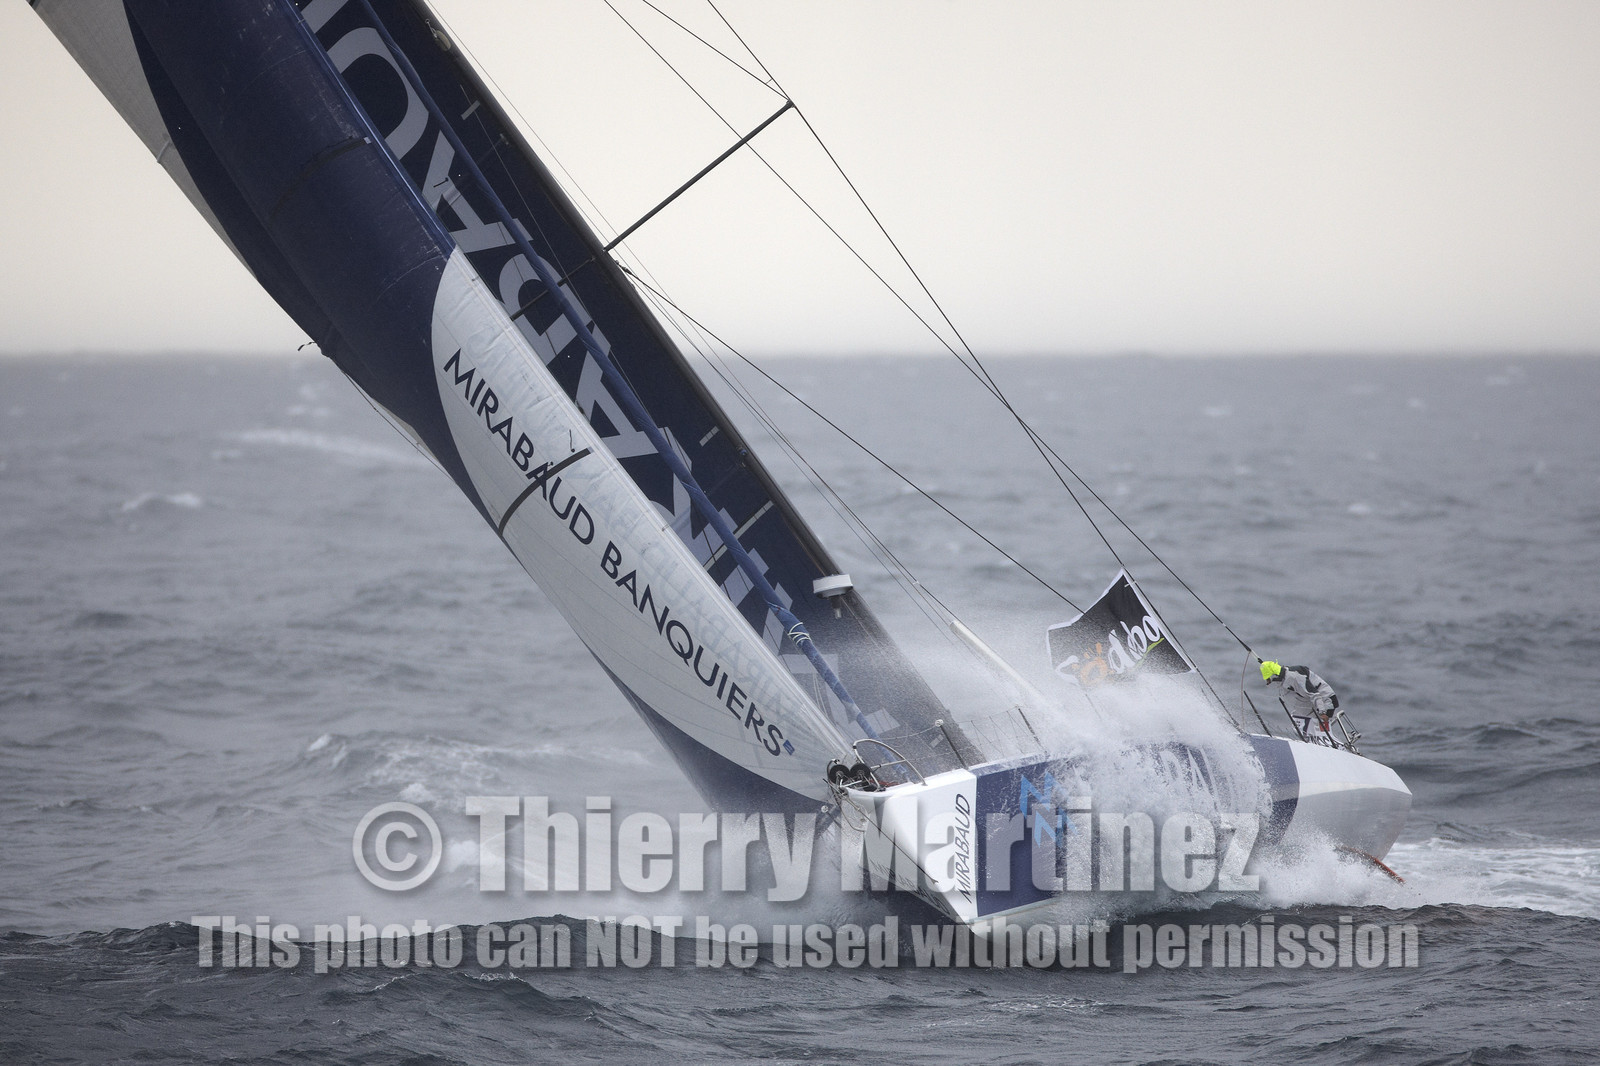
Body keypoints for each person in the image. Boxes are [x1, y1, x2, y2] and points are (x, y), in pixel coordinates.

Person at [1260, 659, 1340, 743]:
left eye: (1268, 679)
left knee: (1310, 722)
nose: (1268, 683)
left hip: (1326, 701)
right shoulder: (1285, 678)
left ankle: (1326, 742)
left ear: (1275, 676)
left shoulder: (1294, 677)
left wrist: (1322, 713)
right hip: (1312, 703)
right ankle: (1310, 741)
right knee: (1297, 719)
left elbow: (1314, 693)